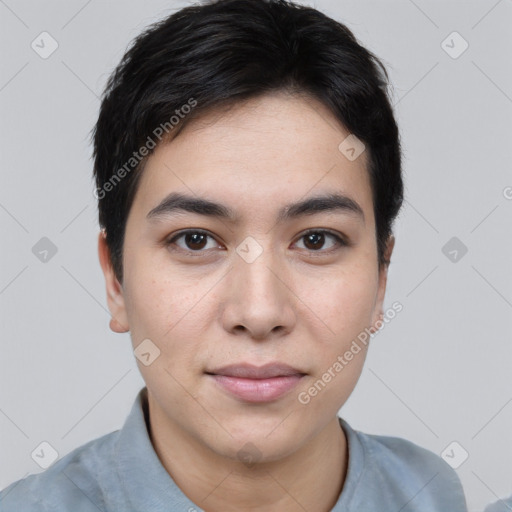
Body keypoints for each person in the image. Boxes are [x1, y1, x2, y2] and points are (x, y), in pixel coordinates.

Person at [0, 0, 468, 510]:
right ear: (115, 279)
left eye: (316, 240)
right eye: (195, 239)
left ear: (381, 278)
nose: (260, 312)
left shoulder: (437, 495)